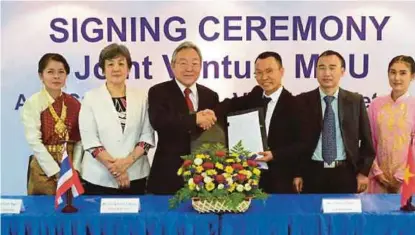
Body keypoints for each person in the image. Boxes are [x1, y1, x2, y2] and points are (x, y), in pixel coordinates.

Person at [215, 51, 299, 193]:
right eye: (258, 73)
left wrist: (274, 154)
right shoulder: (255, 95)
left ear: (281, 71)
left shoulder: (295, 104)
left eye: (269, 71)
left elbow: (302, 144)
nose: (264, 77)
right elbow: (229, 105)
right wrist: (210, 113)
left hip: (280, 178)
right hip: (249, 178)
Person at [293, 50, 375, 193]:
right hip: (312, 173)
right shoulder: (302, 101)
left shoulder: (355, 101)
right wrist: (297, 173)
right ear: (316, 71)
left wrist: (363, 172)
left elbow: (367, 142)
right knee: (311, 214)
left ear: (342, 71)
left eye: (332, 68)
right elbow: (295, 142)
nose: (327, 73)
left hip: (346, 174)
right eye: (322, 68)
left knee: (344, 215)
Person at [79, 43, 155, 195]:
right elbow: (90, 140)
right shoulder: (90, 98)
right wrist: (117, 170)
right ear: (103, 69)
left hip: (136, 175)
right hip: (98, 177)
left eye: (121, 63)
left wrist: (125, 164)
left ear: (128, 69)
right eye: (110, 64)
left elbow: (147, 136)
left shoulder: (142, 97)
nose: (116, 68)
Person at [147, 41, 219, 194]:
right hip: (168, 176)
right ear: (172, 66)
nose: (189, 69)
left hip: (204, 177)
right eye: (183, 63)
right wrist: (195, 119)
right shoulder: (158, 92)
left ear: (200, 67)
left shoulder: (210, 96)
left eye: (194, 63)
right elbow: (159, 122)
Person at [367, 55, 415, 193]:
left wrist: (401, 176)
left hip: (408, 179)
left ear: (412, 76)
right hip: (379, 179)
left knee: (407, 213)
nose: (397, 78)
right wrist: (377, 172)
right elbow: (369, 141)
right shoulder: (375, 105)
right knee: (376, 214)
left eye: (403, 73)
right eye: (393, 72)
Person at [21, 53, 82, 195]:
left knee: (72, 212)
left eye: (61, 72)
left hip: (70, 166)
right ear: (41, 76)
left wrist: (76, 169)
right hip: (43, 170)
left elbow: (80, 141)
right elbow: (34, 141)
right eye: (50, 72)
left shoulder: (74, 104)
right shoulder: (33, 103)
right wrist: (54, 171)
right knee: (43, 212)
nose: (56, 76)